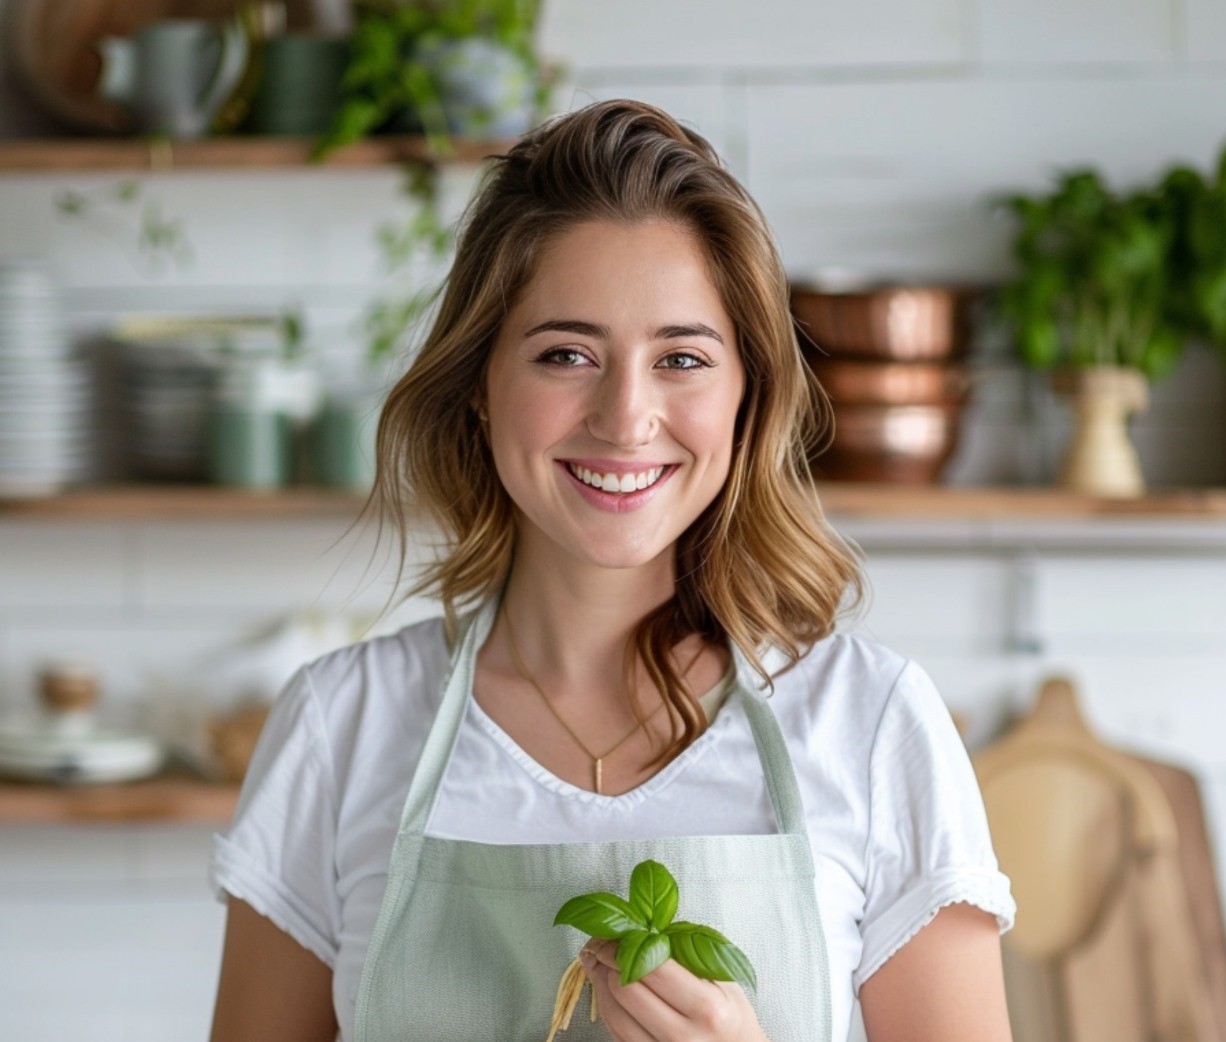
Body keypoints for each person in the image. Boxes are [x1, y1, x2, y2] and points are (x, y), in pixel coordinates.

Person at [208, 99, 1016, 1042]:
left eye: (681, 357)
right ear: (479, 385)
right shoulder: (337, 729)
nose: (626, 417)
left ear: (745, 397)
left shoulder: (871, 725)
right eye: (566, 354)